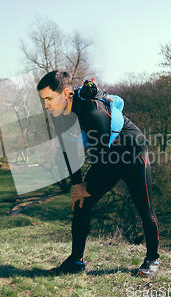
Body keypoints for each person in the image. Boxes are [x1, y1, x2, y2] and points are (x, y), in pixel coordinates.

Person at [37, 71, 160, 278]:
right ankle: (76, 260)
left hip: (132, 153)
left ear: (66, 93)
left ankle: (153, 258)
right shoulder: (59, 115)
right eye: (44, 100)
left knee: (145, 209)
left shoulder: (93, 112)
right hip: (108, 157)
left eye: (49, 99)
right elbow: (69, 152)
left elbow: (102, 159)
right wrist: (77, 187)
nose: (46, 105)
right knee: (81, 202)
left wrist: (88, 187)